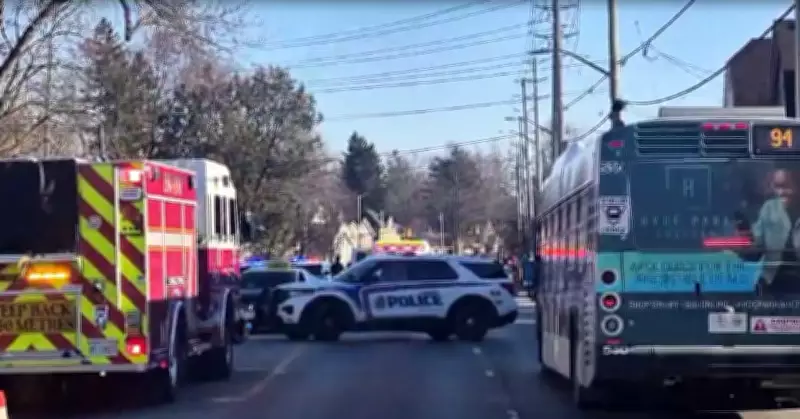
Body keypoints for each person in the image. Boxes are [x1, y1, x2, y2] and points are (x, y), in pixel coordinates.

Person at [736, 167, 800, 294]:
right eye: (777, 187)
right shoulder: (769, 209)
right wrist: (744, 239)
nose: (781, 192)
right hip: (772, 282)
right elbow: (754, 253)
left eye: (787, 186)